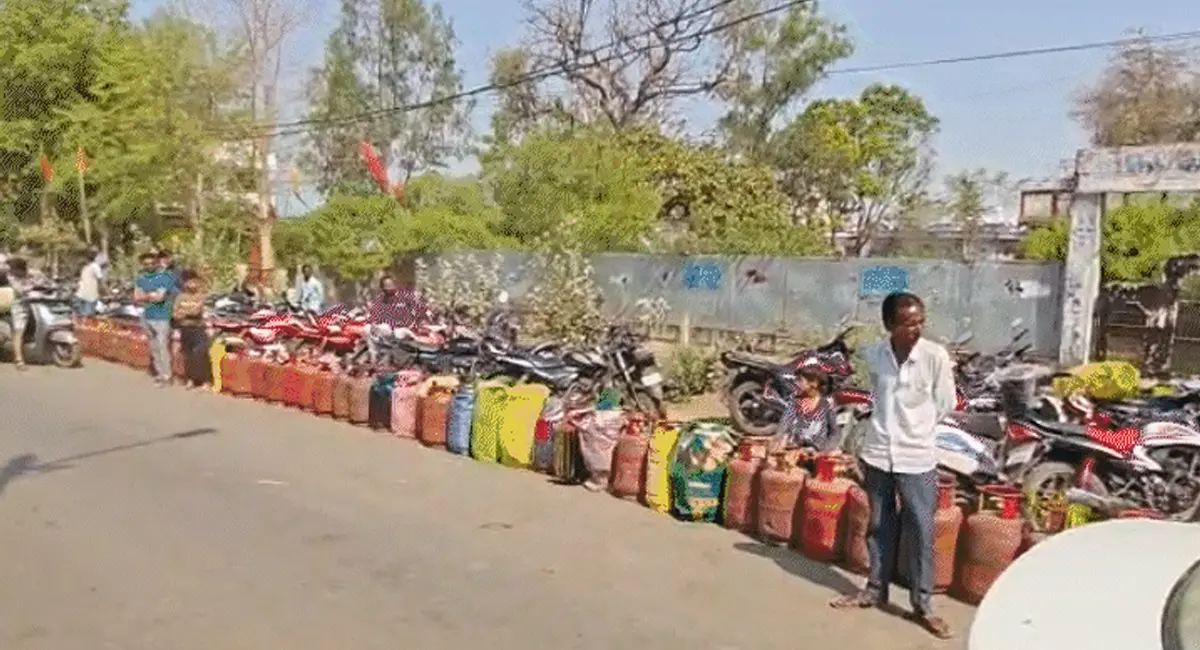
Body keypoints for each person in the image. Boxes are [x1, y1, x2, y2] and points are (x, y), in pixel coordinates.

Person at [830, 292, 956, 640]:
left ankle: (923, 605)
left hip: (917, 457)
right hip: (878, 453)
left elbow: (946, 403)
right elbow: (872, 397)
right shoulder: (875, 355)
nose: (916, 329)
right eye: (908, 323)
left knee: (921, 529)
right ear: (889, 325)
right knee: (879, 524)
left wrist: (917, 428)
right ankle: (875, 589)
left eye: (920, 322)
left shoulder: (934, 357)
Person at [767, 367, 838, 453]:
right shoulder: (794, 403)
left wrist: (824, 450)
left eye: (800, 380)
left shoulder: (826, 405)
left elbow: (835, 433)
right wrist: (779, 439)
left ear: (813, 384)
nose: (796, 383)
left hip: (816, 452)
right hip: (795, 450)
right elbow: (784, 424)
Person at [134, 252, 175, 385]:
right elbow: (136, 297)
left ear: (157, 263)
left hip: (162, 315)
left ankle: (167, 375)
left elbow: (160, 297)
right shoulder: (141, 279)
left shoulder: (165, 277)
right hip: (147, 314)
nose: (149, 266)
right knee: (154, 346)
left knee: (163, 346)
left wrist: (146, 295)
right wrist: (150, 295)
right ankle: (160, 373)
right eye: (146, 264)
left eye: (152, 263)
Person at [172, 270, 211, 389]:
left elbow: (197, 312)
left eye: (194, 281)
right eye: (188, 281)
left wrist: (184, 312)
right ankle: (190, 380)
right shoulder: (180, 297)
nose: (191, 284)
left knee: (200, 354)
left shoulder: (201, 297)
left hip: (198, 328)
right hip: (185, 328)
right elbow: (175, 314)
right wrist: (186, 313)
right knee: (187, 355)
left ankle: (205, 380)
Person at [6, 257, 36, 370]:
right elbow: (19, 290)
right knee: (18, 332)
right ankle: (19, 360)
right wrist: (31, 286)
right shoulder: (11, 277)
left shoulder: (30, 274)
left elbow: (44, 281)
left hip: (30, 305)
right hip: (17, 306)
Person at [75, 250, 107, 316]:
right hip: (90, 297)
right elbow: (100, 281)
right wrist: (107, 292)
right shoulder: (95, 266)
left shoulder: (85, 267)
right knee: (89, 317)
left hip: (80, 295)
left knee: (82, 316)